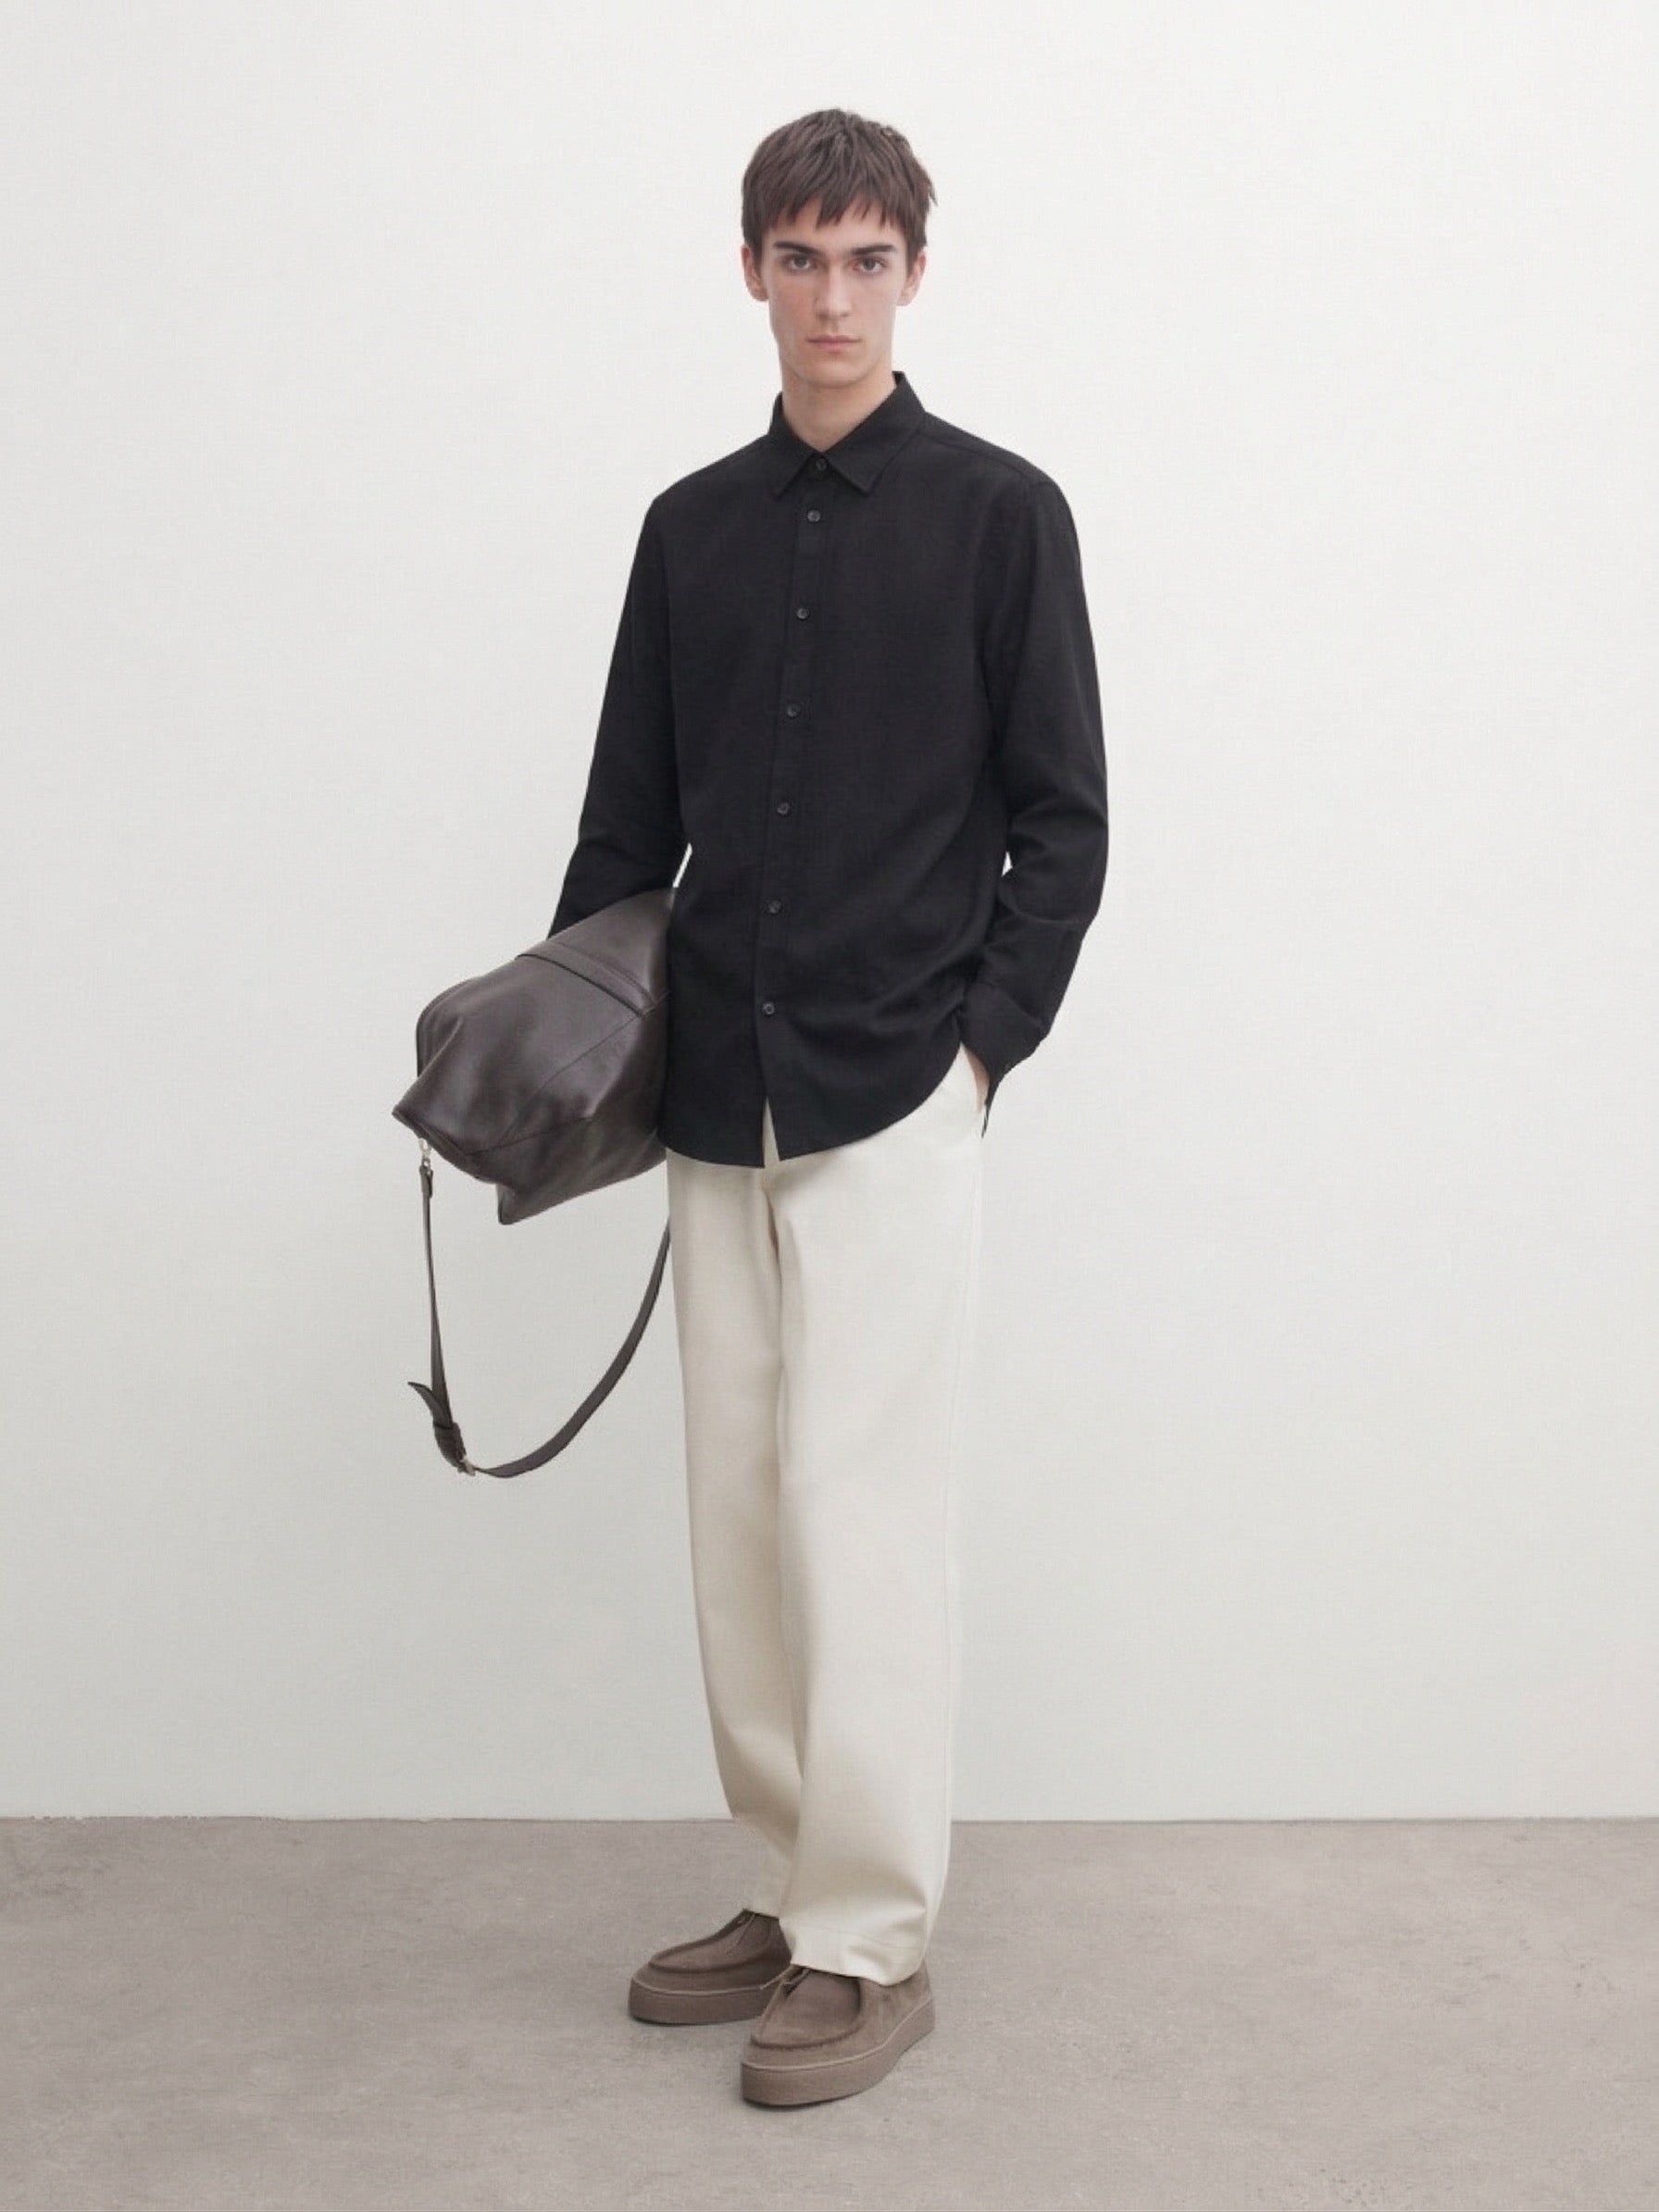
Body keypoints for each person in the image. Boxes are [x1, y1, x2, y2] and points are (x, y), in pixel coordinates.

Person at [549, 106, 1109, 2106]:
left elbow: (1063, 821)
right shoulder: (687, 528)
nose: (835, 299)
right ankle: (788, 1887)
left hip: (894, 1093)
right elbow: (625, 825)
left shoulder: (1001, 515)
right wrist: (573, 1047)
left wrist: (980, 1050)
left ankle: (872, 1941)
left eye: (869, 260)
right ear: (750, 273)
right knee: (737, 1520)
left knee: (862, 1523)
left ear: (914, 275)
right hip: (719, 1096)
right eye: (801, 258)